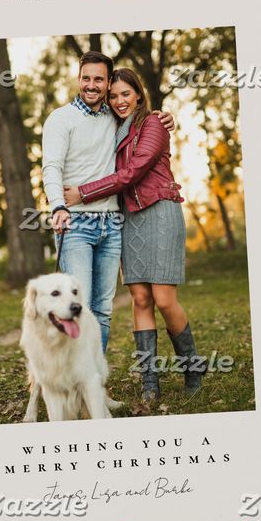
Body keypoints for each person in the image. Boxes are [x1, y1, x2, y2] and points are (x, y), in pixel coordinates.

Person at [64, 68, 206, 401]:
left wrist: (83, 192)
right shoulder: (110, 129)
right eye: (113, 96)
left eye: (125, 94)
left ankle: (192, 366)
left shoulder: (153, 124)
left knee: (164, 299)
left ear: (139, 94)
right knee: (140, 299)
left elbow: (133, 171)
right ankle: (150, 384)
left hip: (159, 211)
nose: (119, 101)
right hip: (128, 217)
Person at [41, 51, 173, 352]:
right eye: (86, 78)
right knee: (78, 306)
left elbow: (143, 122)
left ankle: (94, 386)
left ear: (107, 82)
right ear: (78, 79)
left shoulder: (116, 117)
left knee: (102, 310)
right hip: (75, 223)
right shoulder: (61, 118)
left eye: (98, 79)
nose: (91, 85)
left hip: (112, 224)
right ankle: (70, 387)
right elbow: (51, 166)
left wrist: (163, 116)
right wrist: (57, 205)